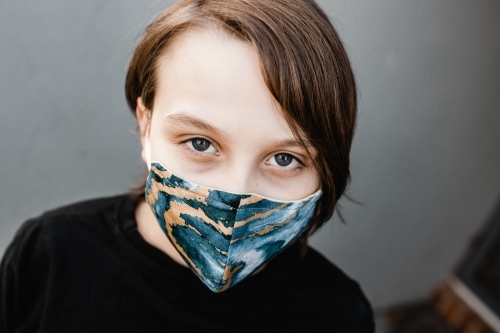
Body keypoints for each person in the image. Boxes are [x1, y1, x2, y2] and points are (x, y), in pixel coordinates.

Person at [0, 0, 374, 331]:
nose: (236, 193)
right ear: (146, 126)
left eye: (285, 158)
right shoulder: (49, 257)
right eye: (200, 143)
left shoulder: (338, 312)